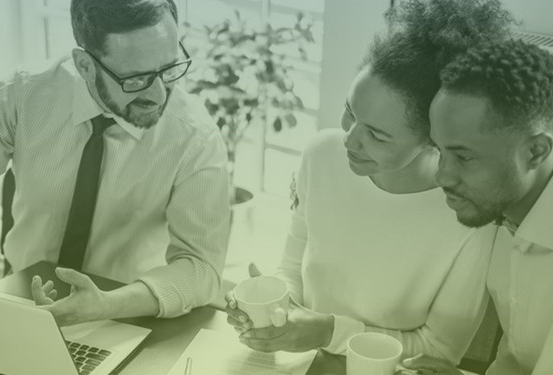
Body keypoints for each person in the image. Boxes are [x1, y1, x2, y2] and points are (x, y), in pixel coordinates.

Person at [224, 0, 514, 364]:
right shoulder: (322, 155)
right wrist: (272, 305)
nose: (349, 139)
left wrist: (329, 331)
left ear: (432, 138)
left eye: (377, 135)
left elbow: (441, 351)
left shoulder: (471, 213)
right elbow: (292, 269)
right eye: (350, 111)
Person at [0, 0, 230, 326]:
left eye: (169, 69)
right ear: (85, 65)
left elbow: (201, 265)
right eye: (136, 79)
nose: (159, 95)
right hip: (21, 296)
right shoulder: (21, 96)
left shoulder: (196, 138)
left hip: (131, 312)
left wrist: (106, 305)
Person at [402, 40, 553, 375]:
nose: (442, 176)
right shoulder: (504, 214)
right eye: (439, 151)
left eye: (464, 157)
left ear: (535, 152)